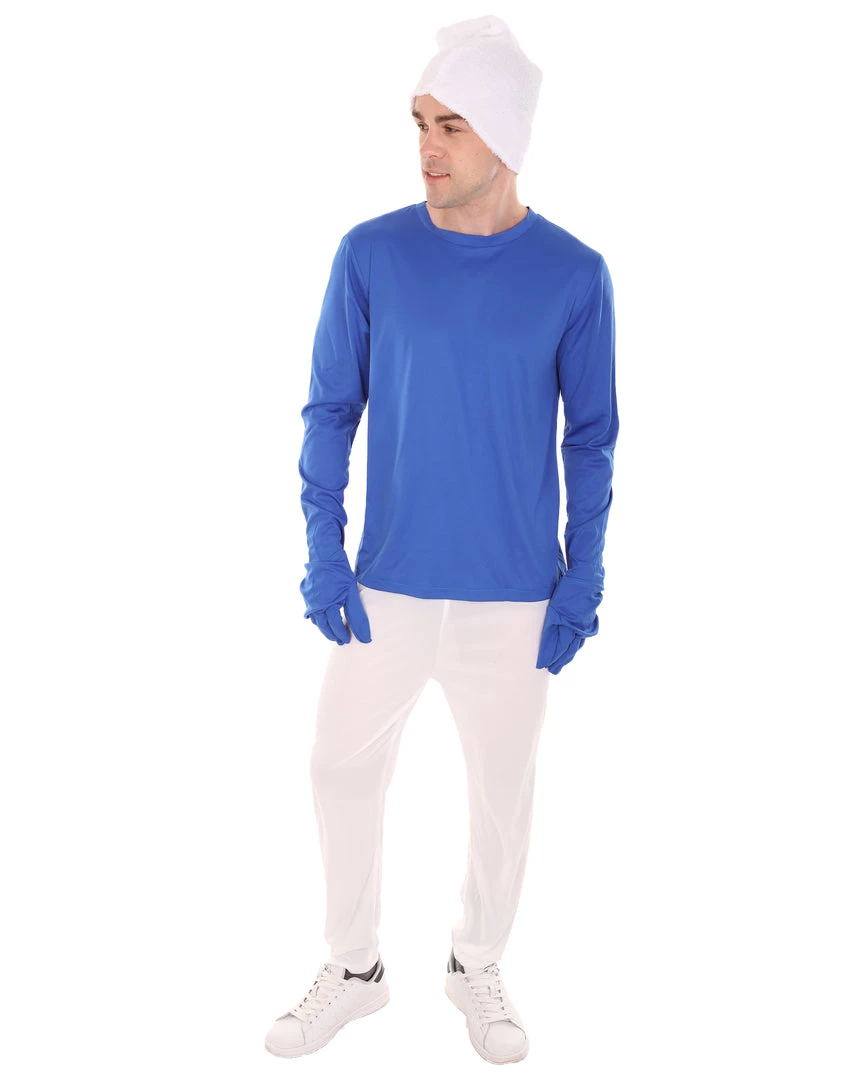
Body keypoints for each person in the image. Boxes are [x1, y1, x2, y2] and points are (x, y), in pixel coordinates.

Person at [264, 14, 619, 1065]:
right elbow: (331, 409)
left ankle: (475, 962)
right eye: (419, 122)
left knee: (501, 794)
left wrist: (584, 573)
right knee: (336, 765)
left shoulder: (572, 273)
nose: (426, 145)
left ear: (505, 135)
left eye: (451, 125)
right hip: (389, 582)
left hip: (515, 593)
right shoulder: (370, 254)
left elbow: (591, 438)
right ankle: (355, 968)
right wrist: (322, 547)